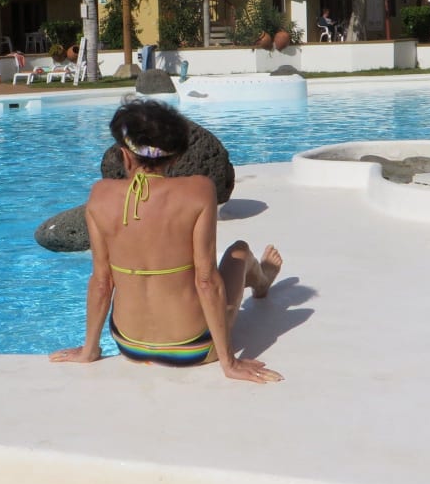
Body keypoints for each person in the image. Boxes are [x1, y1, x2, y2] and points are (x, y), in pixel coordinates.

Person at [50, 99, 284, 383]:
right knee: (239, 252)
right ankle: (262, 281)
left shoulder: (100, 195)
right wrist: (230, 363)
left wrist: (89, 350)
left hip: (128, 344)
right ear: (175, 157)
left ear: (125, 155)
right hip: (194, 348)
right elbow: (206, 281)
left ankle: (262, 279)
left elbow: (102, 282)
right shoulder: (199, 191)